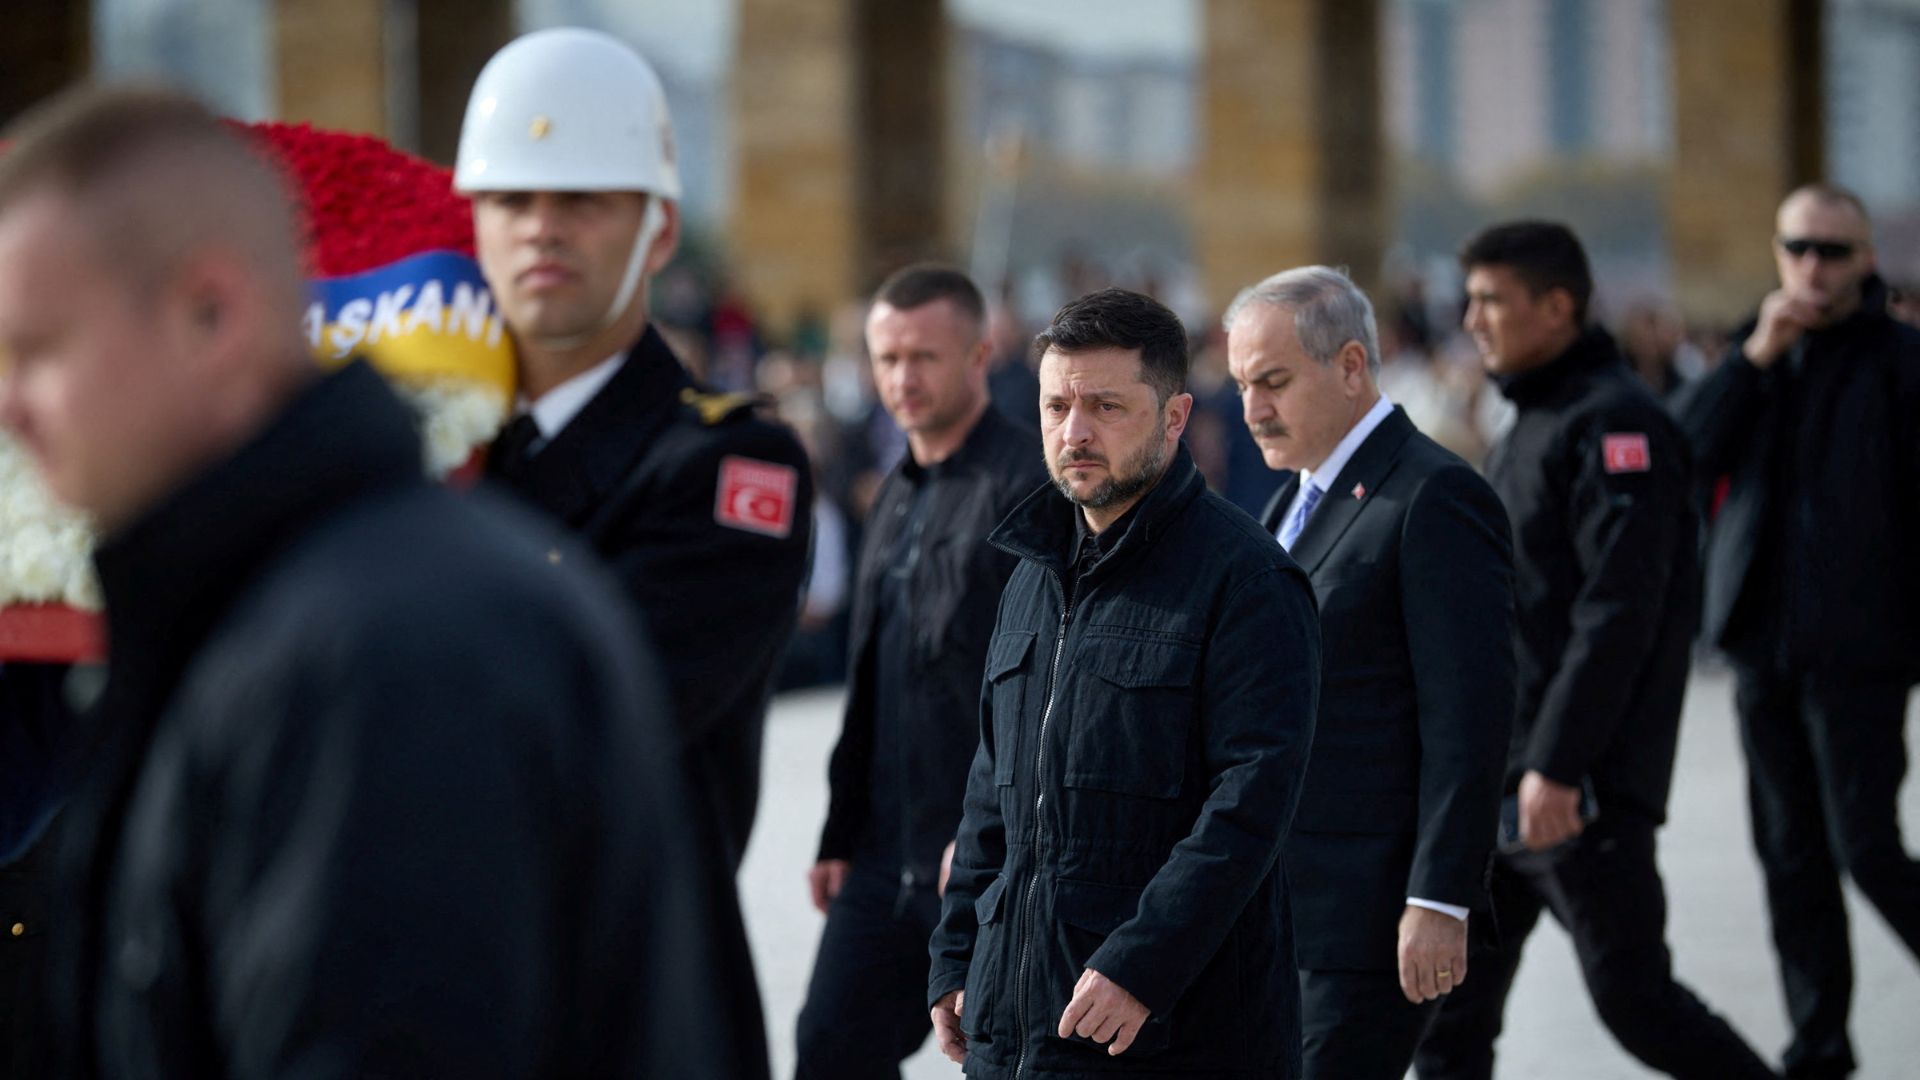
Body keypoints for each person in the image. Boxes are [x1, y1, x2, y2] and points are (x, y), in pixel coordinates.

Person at [0, 84, 767, 1078]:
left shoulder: (386, 654)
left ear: (212, 312)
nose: (9, 406)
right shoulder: (266, 619)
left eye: (38, 350)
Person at [1413, 222, 1777, 1080]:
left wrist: (1560, 764)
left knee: (1636, 1003)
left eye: (1492, 300)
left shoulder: (1619, 426)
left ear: (1558, 306)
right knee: (1446, 1021)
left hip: (1577, 796)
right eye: (1469, 300)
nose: (1471, 320)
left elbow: (1620, 611)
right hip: (1503, 782)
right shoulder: (1532, 418)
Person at [927, 288, 1321, 1078]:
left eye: (1106, 406)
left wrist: (1143, 965)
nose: (1075, 432)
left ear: (1175, 418)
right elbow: (991, 790)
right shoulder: (1031, 576)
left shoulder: (1245, 579)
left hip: (1168, 1029)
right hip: (1014, 1026)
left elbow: (1251, 805)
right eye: (1055, 406)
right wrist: (957, 950)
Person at [457, 27, 813, 873]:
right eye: (510, 200)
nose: (541, 229)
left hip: (634, 988)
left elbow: (570, 720)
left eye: (583, 200)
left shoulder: (731, 465)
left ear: (657, 234)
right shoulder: (439, 454)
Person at [1225, 266, 1513, 1080]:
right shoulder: (1293, 501)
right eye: (1244, 384)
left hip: (1370, 919)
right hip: (1278, 907)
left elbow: (1471, 717)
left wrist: (1439, 898)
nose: (1252, 410)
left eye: (1274, 382)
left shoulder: (1434, 496)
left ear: (1351, 366)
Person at [1676, 183, 1920, 1080]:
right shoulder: (1756, 352)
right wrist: (1750, 360)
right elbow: (1680, 454)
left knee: (1866, 845)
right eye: (1799, 248)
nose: (1813, 267)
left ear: (1865, 260)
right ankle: (1820, 1048)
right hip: (1757, 646)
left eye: (1834, 251)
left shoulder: (1901, 361)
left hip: (1862, 651)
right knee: (1790, 857)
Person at [796, 264, 1044, 1079]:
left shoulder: (1025, 489)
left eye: (924, 357)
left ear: (979, 355)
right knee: (828, 1046)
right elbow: (868, 680)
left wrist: (990, 842)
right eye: (887, 358)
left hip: (980, 863)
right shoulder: (893, 491)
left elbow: (1039, 692)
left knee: (1002, 1063)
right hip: (879, 859)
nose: (902, 378)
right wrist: (839, 832)